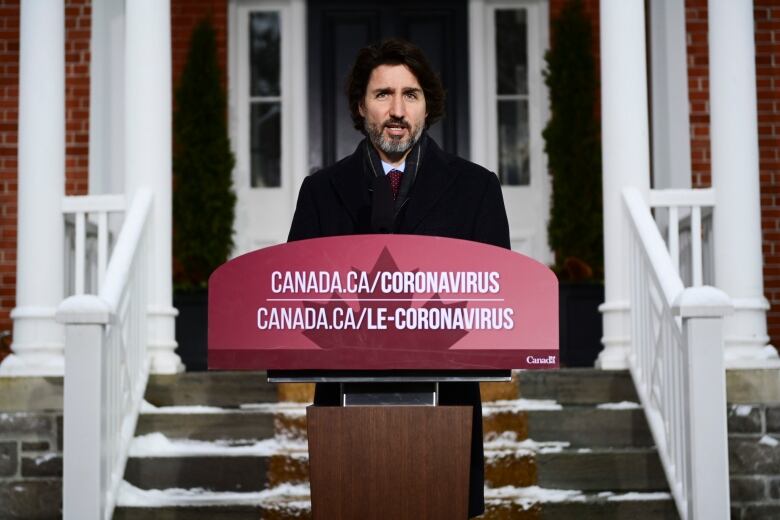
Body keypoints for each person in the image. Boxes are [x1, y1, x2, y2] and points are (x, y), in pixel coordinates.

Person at [288, 38, 510, 519]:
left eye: (410, 94)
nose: (396, 109)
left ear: (427, 106)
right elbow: (297, 301)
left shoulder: (477, 188)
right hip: (345, 415)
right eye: (382, 94)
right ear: (359, 105)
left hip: (446, 411)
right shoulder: (320, 192)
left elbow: (498, 299)